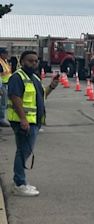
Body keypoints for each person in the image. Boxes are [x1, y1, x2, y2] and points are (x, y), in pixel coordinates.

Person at [7, 51, 59, 196]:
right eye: (30, 61)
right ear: (22, 61)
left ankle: (20, 181)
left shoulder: (34, 78)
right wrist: (23, 119)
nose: (34, 63)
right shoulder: (17, 77)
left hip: (34, 121)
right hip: (23, 122)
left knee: (24, 151)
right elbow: (15, 98)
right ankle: (19, 184)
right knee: (23, 152)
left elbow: (41, 96)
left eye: (36, 61)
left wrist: (52, 86)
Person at [0, 47, 11, 127]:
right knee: (3, 103)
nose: (7, 55)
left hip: (6, 84)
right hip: (2, 85)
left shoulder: (5, 61)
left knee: (5, 102)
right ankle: (1, 119)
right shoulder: (0, 62)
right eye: (5, 53)